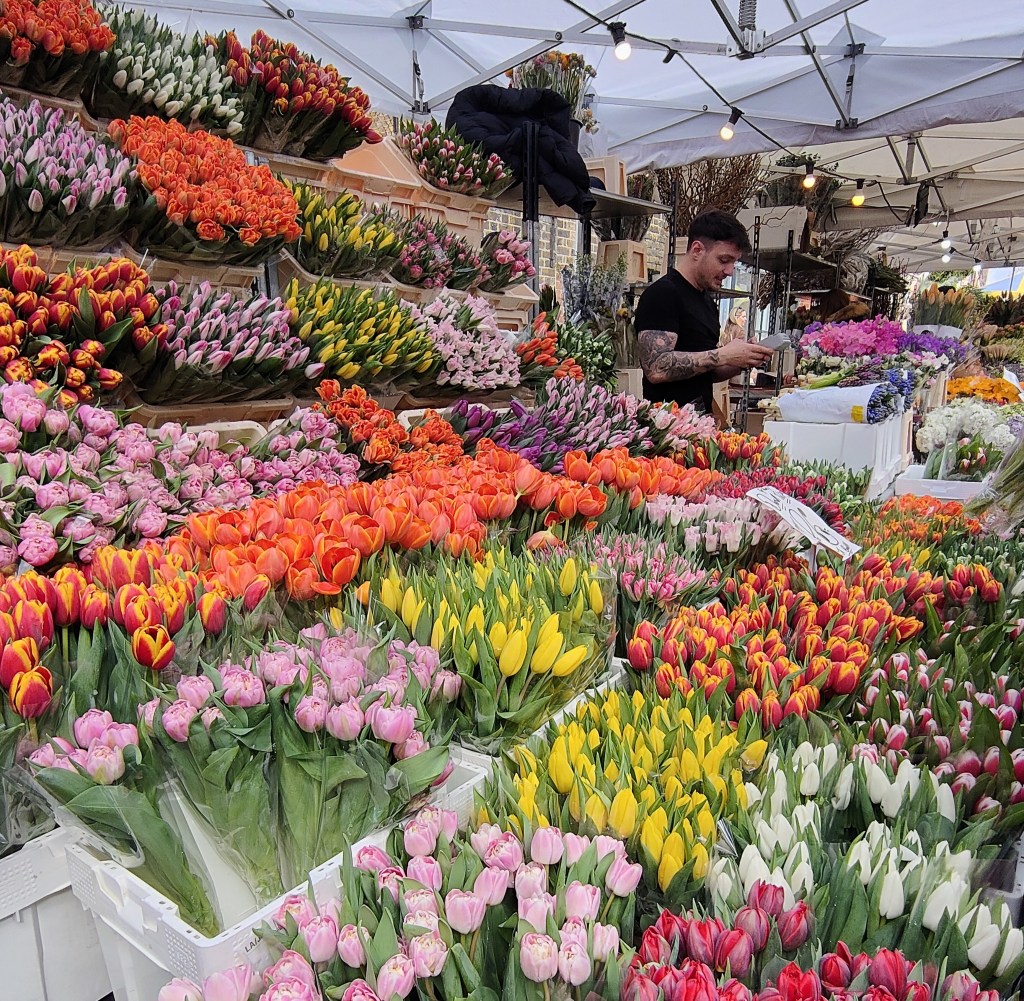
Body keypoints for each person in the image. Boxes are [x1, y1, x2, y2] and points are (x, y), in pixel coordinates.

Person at [635, 209, 774, 414]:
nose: (729, 271)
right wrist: (723, 355)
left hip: (700, 423)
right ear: (697, 250)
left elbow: (707, 372)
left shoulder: (708, 303)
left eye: (734, 263)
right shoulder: (663, 294)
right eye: (724, 260)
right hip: (665, 425)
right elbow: (656, 368)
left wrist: (742, 359)